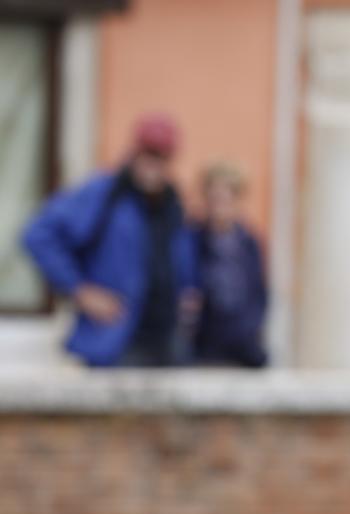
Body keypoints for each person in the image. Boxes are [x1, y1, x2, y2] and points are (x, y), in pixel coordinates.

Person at [22, 113, 198, 367]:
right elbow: (39, 235)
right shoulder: (105, 194)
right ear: (135, 152)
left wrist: (188, 290)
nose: (153, 164)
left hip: (167, 343)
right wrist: (80, 290)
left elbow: (181, 260)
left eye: (161, 156)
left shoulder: (173, 204)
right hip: (116, 341)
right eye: (148, 153)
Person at [193, 162, 268, 367]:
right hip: (204, 345)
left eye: (225, 199)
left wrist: (251, 329)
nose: (220, 206)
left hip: (243, 344)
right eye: (215, 198)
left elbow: (258, 293)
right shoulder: (193, 239)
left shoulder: (249, 243)